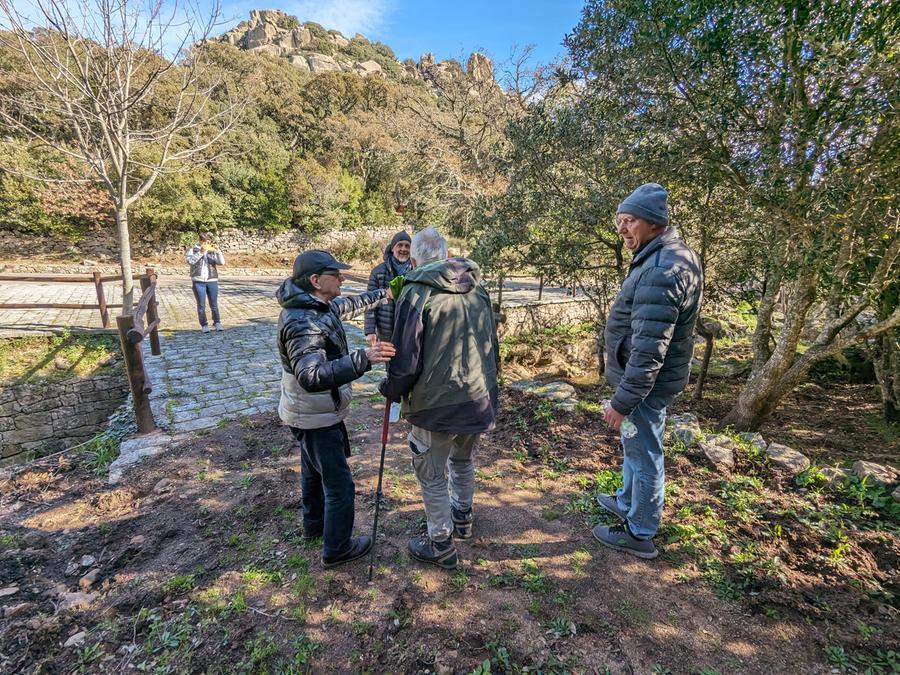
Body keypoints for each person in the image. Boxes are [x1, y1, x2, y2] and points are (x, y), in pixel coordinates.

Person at [593, 183, 703, 559]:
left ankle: (640, 530)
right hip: (641, 383)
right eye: (619, 221)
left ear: (654, 223)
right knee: (634, 447)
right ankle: (627, 501)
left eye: (629, 221)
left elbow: (647, 351)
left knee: (643, 454)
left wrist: (622, 402)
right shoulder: (662, 254)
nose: (622, 229)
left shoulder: (662, 268)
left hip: (642, 386)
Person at [380, 227, 499, 570]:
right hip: (478, 395)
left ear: (414, 259)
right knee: (462, 460)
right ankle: (463, 517)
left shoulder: (416, 293)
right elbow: (493, 344)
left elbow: (405, 357)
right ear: (447, 257)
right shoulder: (479, 289)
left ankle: (441, 543)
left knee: (430, 472)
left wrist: (393, 389)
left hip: (436, 402)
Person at [276, 249, 395, 568]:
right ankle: (338, 548)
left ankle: (314, 526)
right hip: (315, 413)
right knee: (339, 484)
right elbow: (311, 376)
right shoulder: (304, 322)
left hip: (308, 411)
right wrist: (363, 359)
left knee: (312, 470)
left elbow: (348, 304)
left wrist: (384, 294)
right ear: (316, 280)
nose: (342, 278)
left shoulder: (315, 305)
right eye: (336, 274)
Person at [365, 230, 412, 347]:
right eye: (399, 245)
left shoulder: (416, 271)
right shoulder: (378, 272)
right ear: (392, 248)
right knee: (390, 363)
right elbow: (370, 302)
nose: (403, 249)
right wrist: (370, 330)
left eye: (407, 246)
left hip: (410, 329)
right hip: (386, 329)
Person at [186, 232, 225, 333]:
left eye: (208, 241)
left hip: (212, 280)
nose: (206, 243)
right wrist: (200, 253)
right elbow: (190, 261)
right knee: (201, 305)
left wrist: (218, 251)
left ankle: (217, 322)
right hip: (198, 281)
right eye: (204, 241)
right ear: (200, 241)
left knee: (214, 304)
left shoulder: (212, 251)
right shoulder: (193, 250)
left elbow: (222, 262)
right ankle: (204, 324)